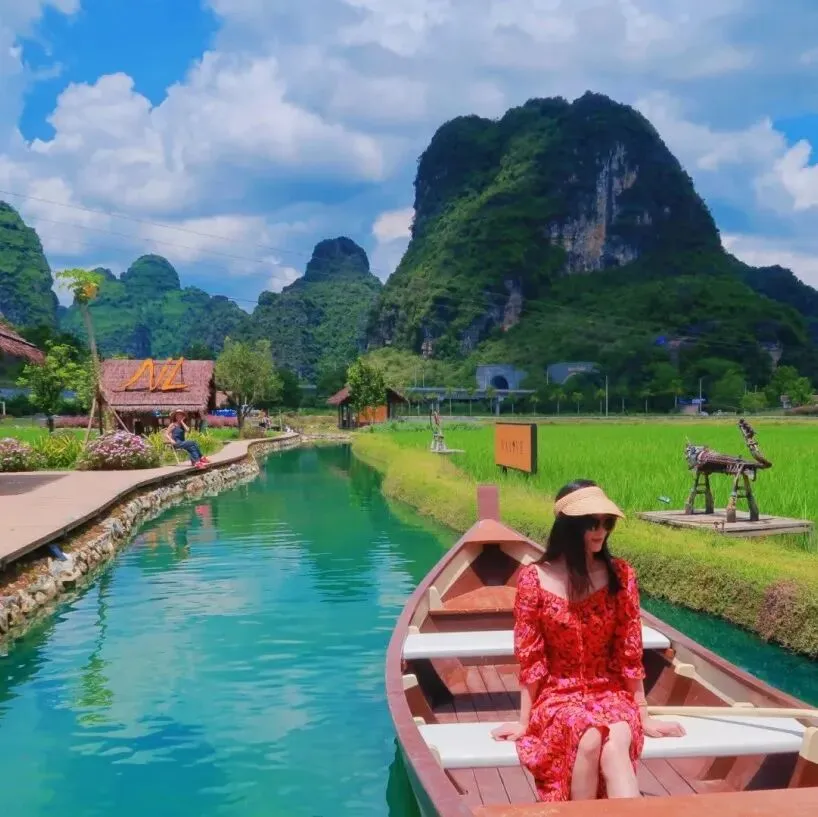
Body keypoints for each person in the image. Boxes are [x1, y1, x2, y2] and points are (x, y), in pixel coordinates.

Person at [491, 479, 685, 801]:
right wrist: (524, 722)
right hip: (557, 695)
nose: (601, 531)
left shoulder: (620, 575)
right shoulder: (534, 579)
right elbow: (531, 657)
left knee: (617, 740)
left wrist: (643, 713)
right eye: (591, 523)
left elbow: (628, 650)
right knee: (590, 736)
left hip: (610, 691)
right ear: (568, 526)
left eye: (607, 523)